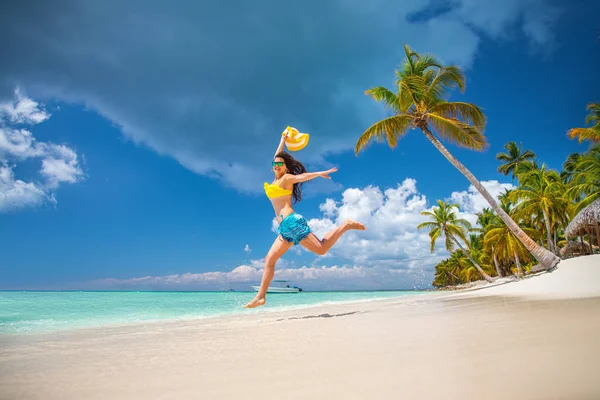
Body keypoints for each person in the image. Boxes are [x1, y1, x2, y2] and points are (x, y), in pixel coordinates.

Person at [243, 131, 366, 308]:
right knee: (269, 260)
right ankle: (261, 297)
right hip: (284, 228)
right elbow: (277, 155)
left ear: (286, 168)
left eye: (281, 164)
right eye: (275, 163)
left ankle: (346, 225)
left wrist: (319, 173)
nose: (277, 165)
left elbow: (301, 177)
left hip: (292, 222)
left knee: (322, 249)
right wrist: (283, 139)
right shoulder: (275, 180)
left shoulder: (286, 178)